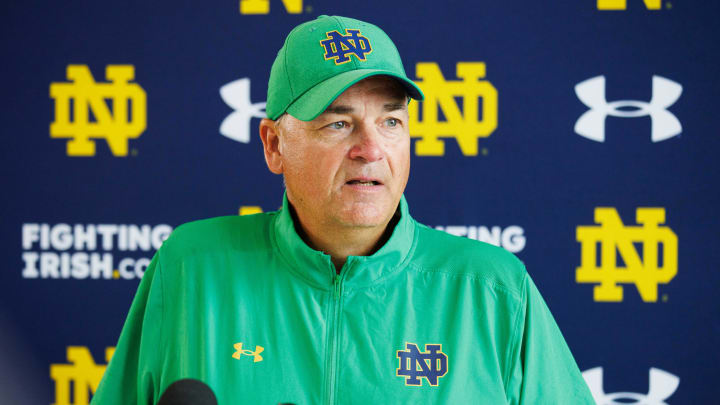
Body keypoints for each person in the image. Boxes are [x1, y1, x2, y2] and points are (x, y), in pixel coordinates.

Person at [92, 15, 595, 404]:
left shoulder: (492, 290)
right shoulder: (192, 268)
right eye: (339, 123)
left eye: (391, 121)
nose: (371, 149)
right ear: (274, 145)